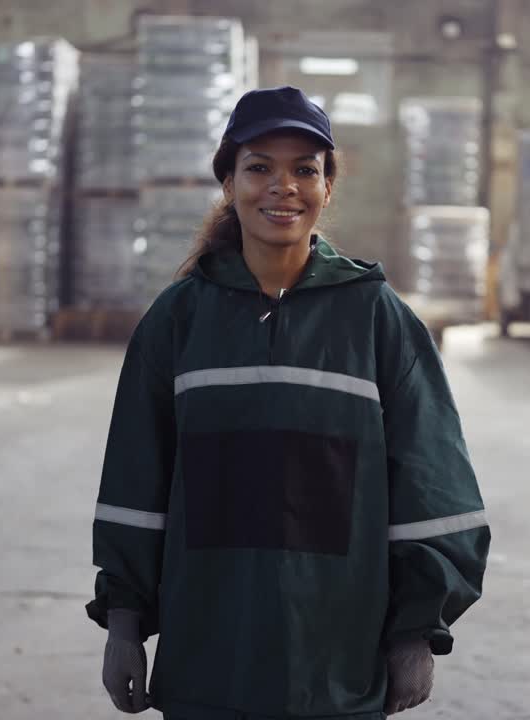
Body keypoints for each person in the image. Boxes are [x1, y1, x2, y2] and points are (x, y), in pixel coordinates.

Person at [87, 85, 490, 720]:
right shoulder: (178, 320)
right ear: (229, 182)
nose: (284, 186)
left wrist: (418, 630)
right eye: (259, 168)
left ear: (328, 187)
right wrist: (123, 623)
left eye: (305, 169)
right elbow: (136, 482)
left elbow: (432, 483)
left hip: (337, 667)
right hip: (208, 660)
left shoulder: (376, 318)